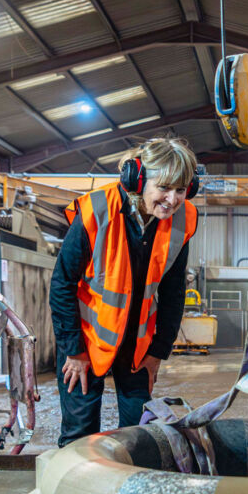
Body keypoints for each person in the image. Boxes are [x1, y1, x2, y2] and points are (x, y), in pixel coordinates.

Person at [49, 137, 199, 447]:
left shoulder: (182, 221)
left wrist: (158, 353)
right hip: (86, 339)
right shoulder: (96, 210)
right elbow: (62, 283)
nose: (172, 200)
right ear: (139, 179)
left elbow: (173, 295)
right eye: (164, 188)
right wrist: (73, 350)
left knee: (140, 436)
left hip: (138, 347)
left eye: (181, 191)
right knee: (79, 436)